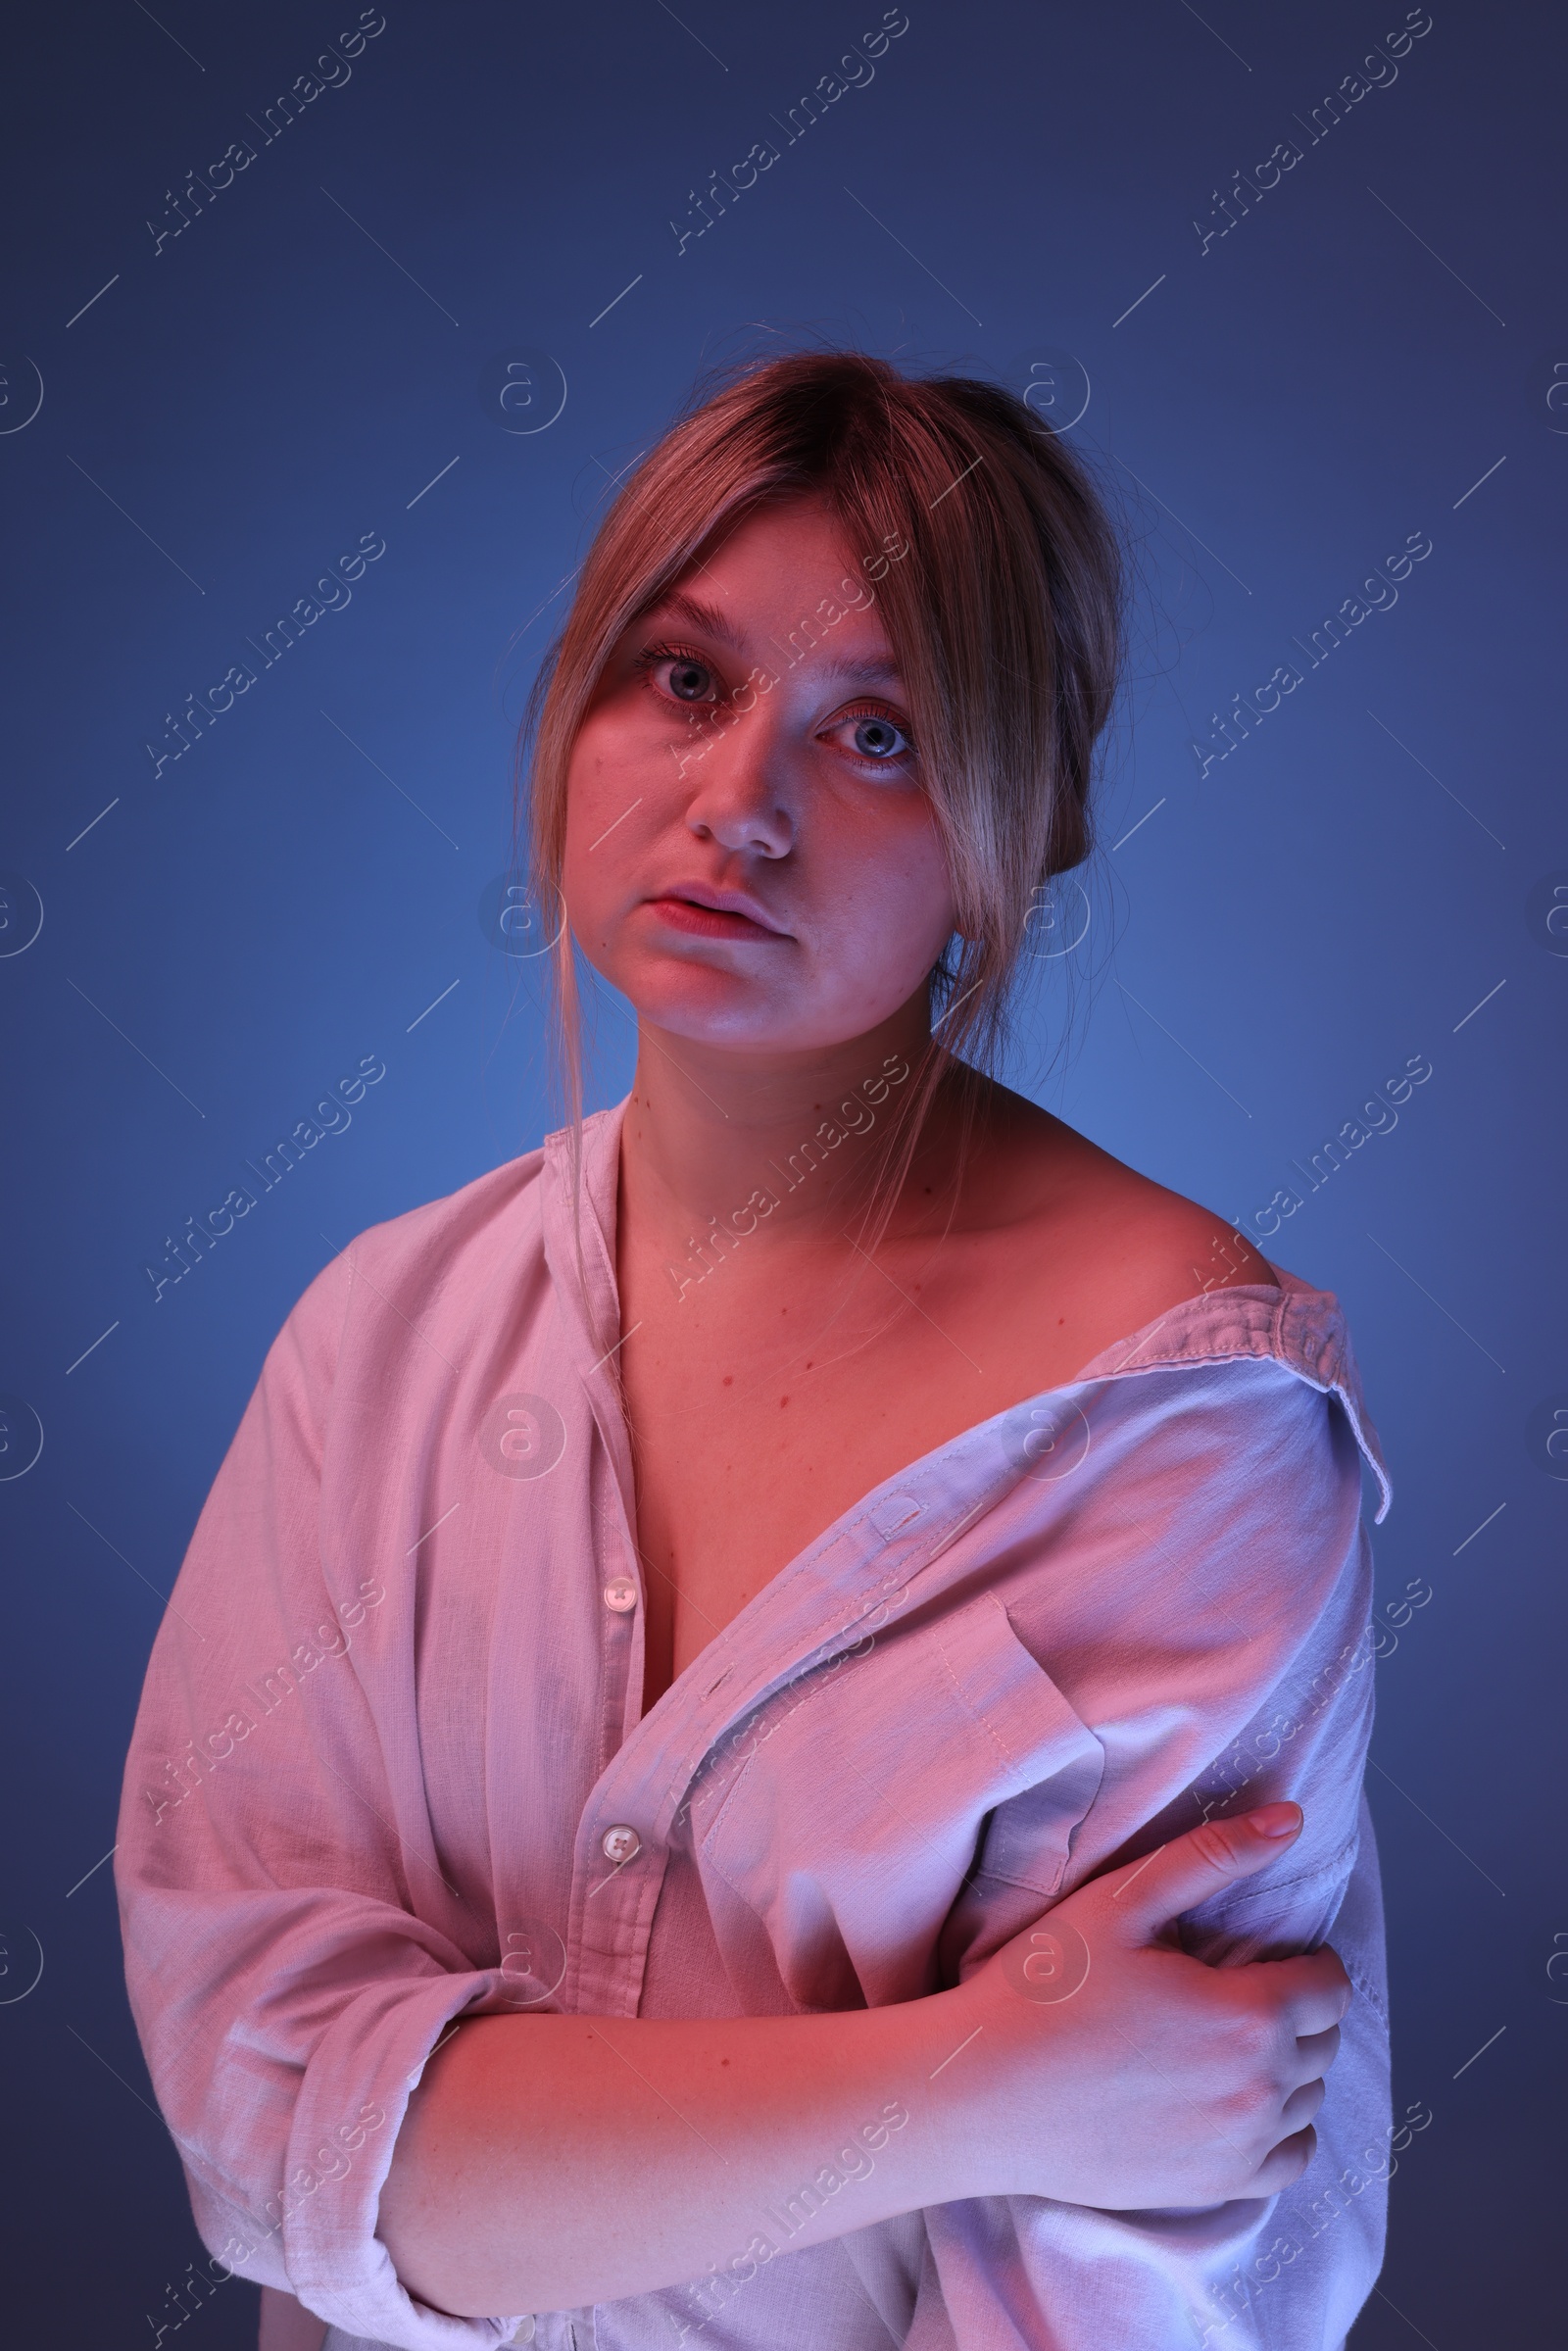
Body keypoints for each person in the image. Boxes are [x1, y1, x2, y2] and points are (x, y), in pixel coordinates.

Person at [117, 352, 1392, 2351]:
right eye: (687, 680)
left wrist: (486, 2149)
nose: (741, 808)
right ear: (575, 710)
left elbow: (1127, 2291)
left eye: (876, 733)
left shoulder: (1181, 1430)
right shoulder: (381, 1336)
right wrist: (990, 2076)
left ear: (1019, 831)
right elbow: (274, 2136)